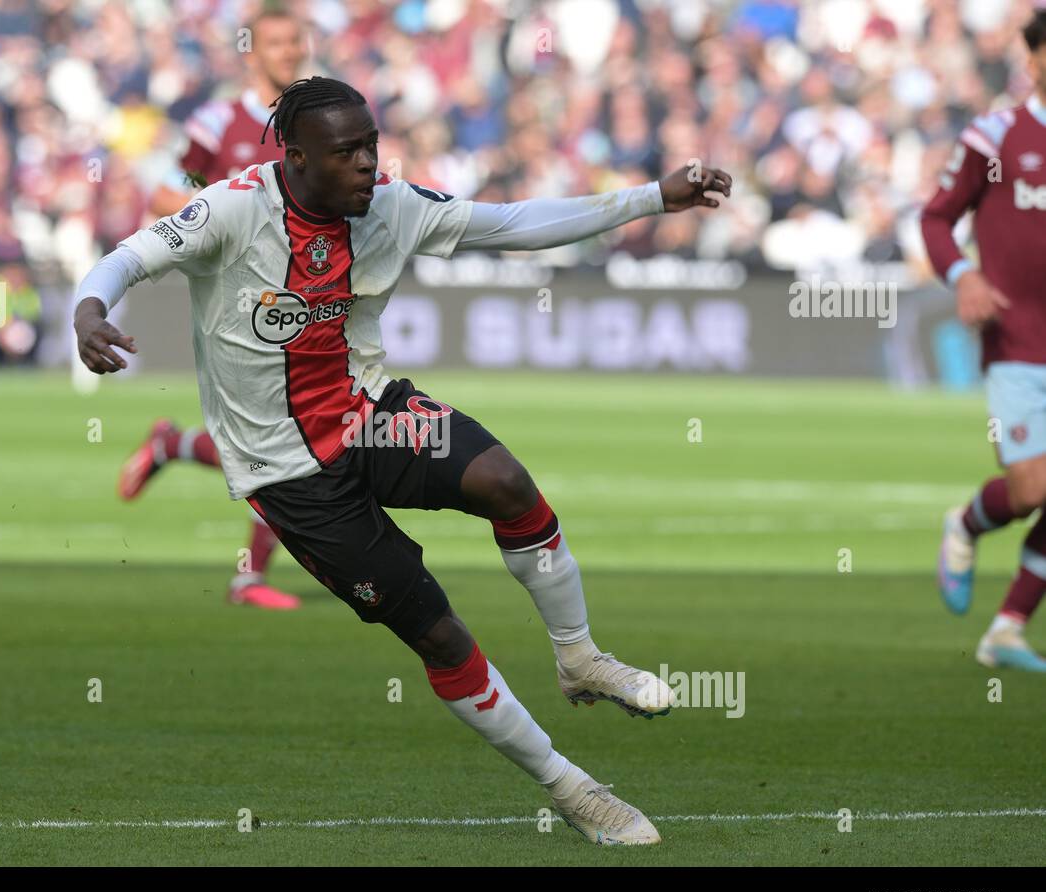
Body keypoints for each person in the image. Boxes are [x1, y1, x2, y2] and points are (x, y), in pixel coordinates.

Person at [74, 76, 732, 846]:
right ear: (295, 158)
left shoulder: (392, 205)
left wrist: (653, 196)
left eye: (371, 146)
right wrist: (90, 311)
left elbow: (514, 223)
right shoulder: (232, 208)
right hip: (287, 474)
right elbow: (127, 258)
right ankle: (574, 789)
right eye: (346, 152)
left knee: (505, 482)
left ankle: (580, 657)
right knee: (441, 635)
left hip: (369, 415)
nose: (365, 165)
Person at [118, 6, 309, 611]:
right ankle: (248, 578)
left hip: (303, 295)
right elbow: (168, 193)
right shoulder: (218, 122)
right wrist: (224, 217)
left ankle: (172, 445)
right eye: (277, 43)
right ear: (251, 52)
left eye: (295, 42)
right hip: (237, 303)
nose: (290, 52)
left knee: (290, 437)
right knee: (288, 439)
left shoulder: (315, 122)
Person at [926, 9, 1046, 673]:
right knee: (1031, 491)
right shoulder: (997, 136)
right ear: (1035, 59)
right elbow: (936, 217)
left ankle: (1006, 628)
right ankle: (967, 523)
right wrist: (964, 274)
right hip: (1019, 341)